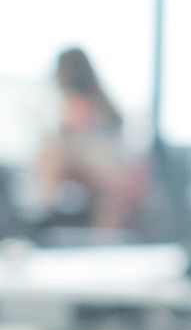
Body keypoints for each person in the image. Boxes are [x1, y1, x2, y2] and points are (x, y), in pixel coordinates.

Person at [35, 45, 146, 234]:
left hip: (109, 182)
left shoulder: (78, 107)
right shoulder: (104, 105)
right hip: (112, 181)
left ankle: (45, 219)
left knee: (50, 156)